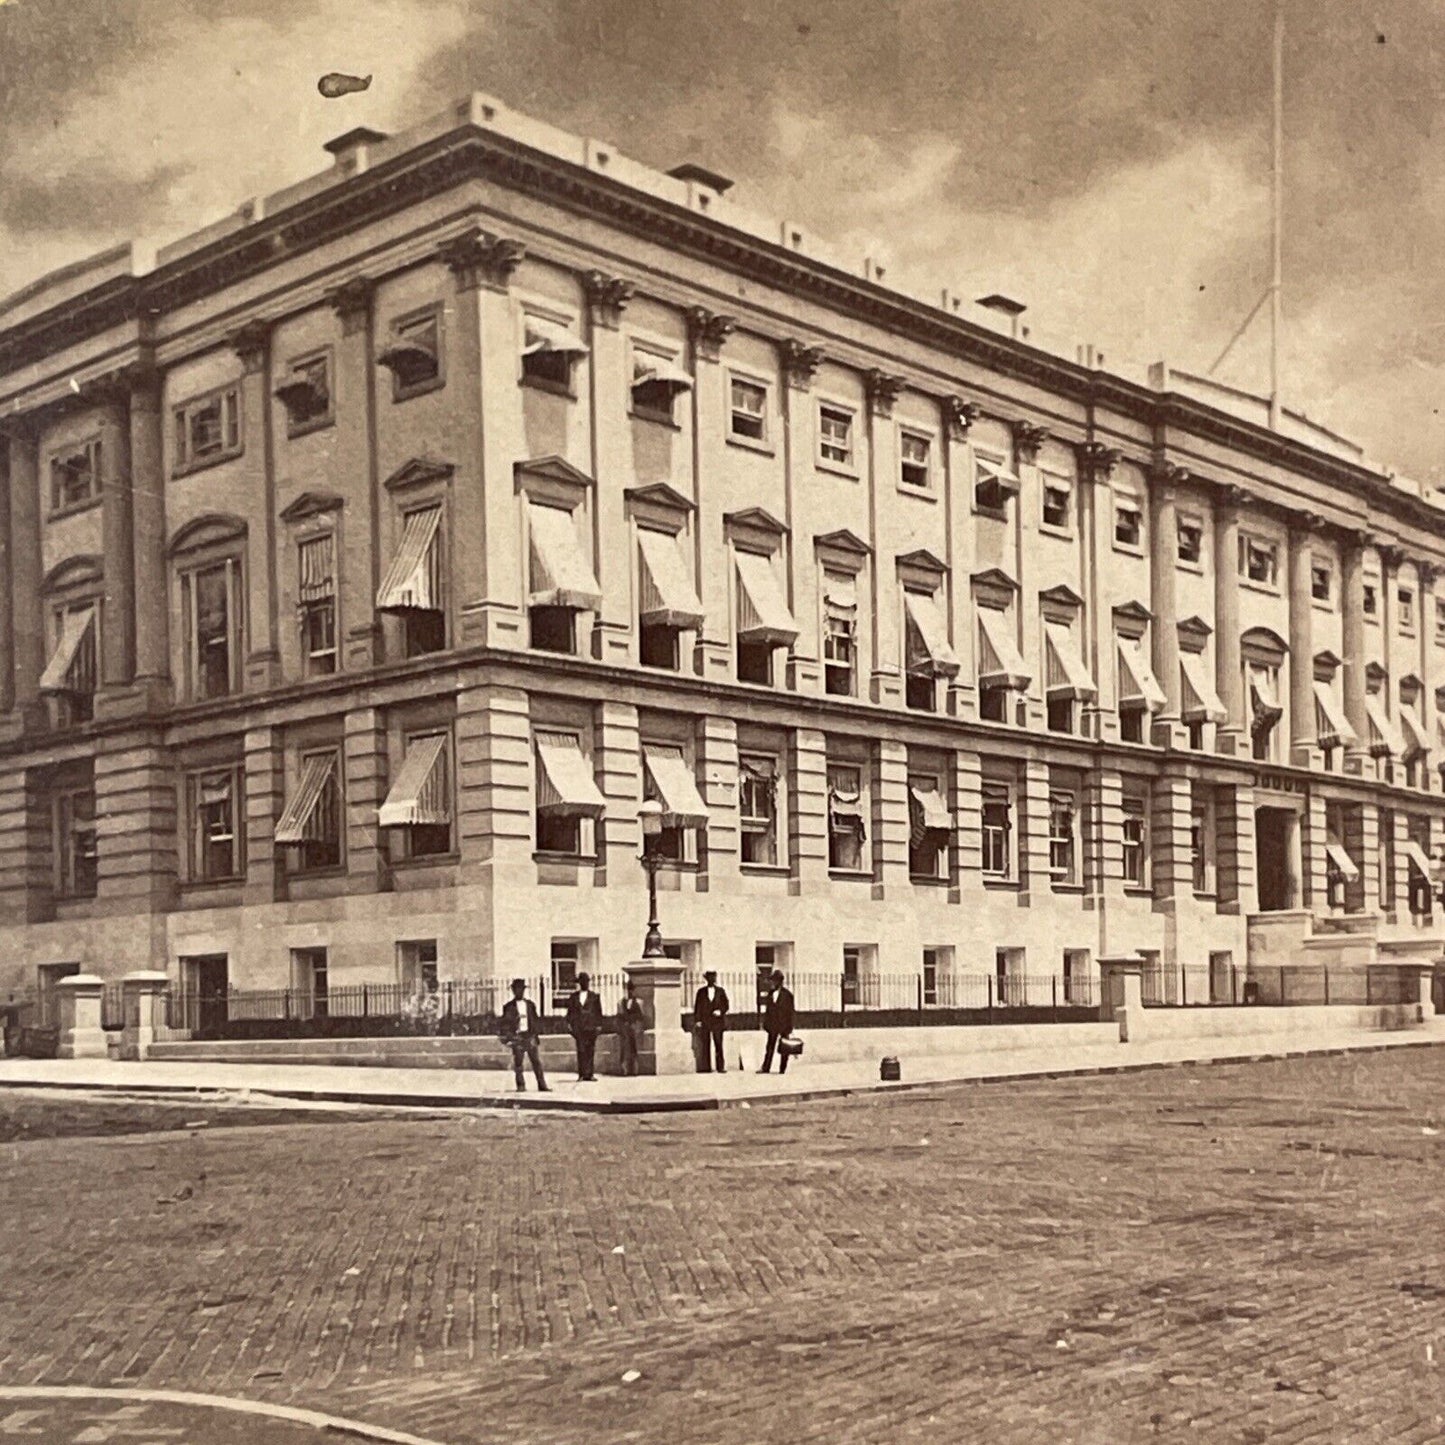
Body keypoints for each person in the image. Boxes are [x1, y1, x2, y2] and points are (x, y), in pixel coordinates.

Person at [499, 978, 548, 1092]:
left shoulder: (530, 1005)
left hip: (529, 1035)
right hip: (518, 1036)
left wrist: (535, 1034)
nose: (519, 991)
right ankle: (521, 1086)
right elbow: (505, 1024)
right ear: (513, 990)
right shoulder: (509, 1007)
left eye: (521, 989)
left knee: (536, 1061)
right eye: (516, 989)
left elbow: (535, 1020)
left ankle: (542, 1085)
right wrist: (511, 1036)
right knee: (519, 1062)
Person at [565, 972, 604, 1081]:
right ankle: (582, 1074)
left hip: (591, 1027)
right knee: (581, 1050)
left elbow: (598, 1012)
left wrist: (599, 1025)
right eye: (582, 982)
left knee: (590, 1050)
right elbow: (570, 1012)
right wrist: (569, 1024)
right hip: (579, 1027)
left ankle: (590, 1074)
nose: (584, 983)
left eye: (586, 981)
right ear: (579, 983)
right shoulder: (573, 997)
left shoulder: (594, 997)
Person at [692, 969, 730, 1073]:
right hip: (706, 1021)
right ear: (706, 979)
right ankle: (706, 1067)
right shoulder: (701, 992)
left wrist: (720, 1011)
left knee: (718, 1043)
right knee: (705, 1044)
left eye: (713, 977)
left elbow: (726, 1005)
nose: (712, 979)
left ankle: (720, 1066)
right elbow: (698, 1007)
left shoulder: (720, 991)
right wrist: (698, 1020)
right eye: (709, 977)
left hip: (718, 1022)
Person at [759, 969, 796, 1074]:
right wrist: (766, 1023)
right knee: (769, 1047)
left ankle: (782, 1068)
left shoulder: (787, 995)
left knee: (785, 1048)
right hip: (773, 1025)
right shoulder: (770, 994)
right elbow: (768, 1011)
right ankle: (766, 1068)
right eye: (772, 981)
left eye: (774, 981)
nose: (772, 983)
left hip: (784, 1025)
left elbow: (791, 1012)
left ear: (780, 981)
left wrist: (790, 1027)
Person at [616, 979, 646, 1076]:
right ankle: (624, 1069)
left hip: (634, 1028)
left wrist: (635, 1025)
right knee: (625, 1049)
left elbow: (640, 1016)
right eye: (628, 989)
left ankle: (634, 1069)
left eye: (631, 989)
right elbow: (619, 1016)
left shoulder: (638, 1002)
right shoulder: (621, 1002)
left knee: (634, 1049)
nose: (630, 992)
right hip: (625, 1028)